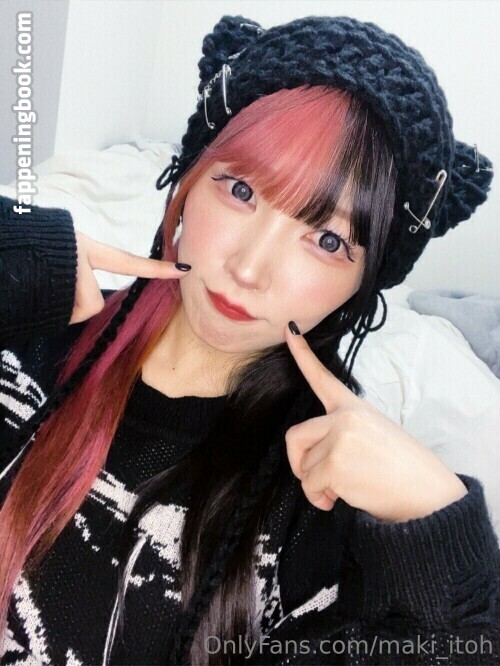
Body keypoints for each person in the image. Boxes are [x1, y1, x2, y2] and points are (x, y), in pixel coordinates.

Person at [0, 13, 499, 666]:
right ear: (187, 178)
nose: (250, 269)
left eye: (327, 240)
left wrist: (442, 536)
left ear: (361, 287)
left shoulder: (323, 497)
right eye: (241, 190)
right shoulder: (32, 319)